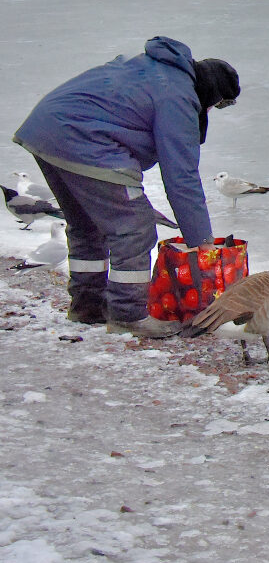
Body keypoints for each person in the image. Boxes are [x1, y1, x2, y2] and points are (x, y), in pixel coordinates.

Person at [13, 37, 238, 338]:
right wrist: (202, 240)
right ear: (211, 92)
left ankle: (88, 306)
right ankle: (127, 316)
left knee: (87, 225)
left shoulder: (152, 68)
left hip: (44, 131)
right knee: (134, 227)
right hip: (85, 141)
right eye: (217, 105)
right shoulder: (178, 97)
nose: (210, 111)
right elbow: (181, 176)